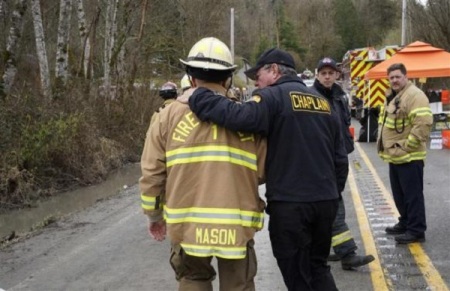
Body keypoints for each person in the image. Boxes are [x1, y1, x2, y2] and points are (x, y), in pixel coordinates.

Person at [187, 48, 348, 290]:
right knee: (318, 267)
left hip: (291, 205)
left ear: (273, 70)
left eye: (258, 76)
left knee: (297, 276)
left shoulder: (273, 98)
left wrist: (198, 96)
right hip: (325, 201)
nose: (256, 83)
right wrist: (333, 193)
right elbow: (340, 157)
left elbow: (237, 116)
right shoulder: (323, 103)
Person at [139, 37, 267, 290]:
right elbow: (263, 171)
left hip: (187, 227)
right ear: (227, 79)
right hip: (237, 229)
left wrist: (154, 215)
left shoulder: (165, 117)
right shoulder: (247, 120)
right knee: (239, 285)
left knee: (192, 280)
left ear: (191, 77)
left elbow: (152, 172)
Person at [312, 57, 375, 270]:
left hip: (338, 158)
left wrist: (346, 146)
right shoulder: (312, 97)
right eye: (324, 73)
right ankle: (347, 253)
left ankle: (324, 248)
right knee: (334, 204)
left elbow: (345, 123)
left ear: (337, 75)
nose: (328, 76)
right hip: (322, 160)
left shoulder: (340, 97)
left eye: (331, 73)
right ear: (317, 75)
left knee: (331, 204)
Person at [378, 63, 433, 244]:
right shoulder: (393, 96)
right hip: (396, 155)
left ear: (405, 76)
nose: (394, 80)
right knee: (400, 195)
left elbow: (423, 123)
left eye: (397, 76)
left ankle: (416, 230)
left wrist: (407, 146)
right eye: (391, 77)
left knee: (412, 195)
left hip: (409, 156)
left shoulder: (415, 96)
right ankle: (406, 222)